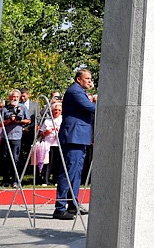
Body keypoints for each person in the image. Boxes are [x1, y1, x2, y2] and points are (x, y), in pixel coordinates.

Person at [54, 69, 97, 220]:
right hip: (74, 136)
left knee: (76, 172)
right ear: (79, 79)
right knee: (68, 171)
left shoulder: (78, 91)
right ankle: (60, 207)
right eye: (87, 78)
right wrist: (103, 103)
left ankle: (73, 204)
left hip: (79, 137)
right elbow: (91, 108)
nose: (90, 81)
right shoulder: (75, 91)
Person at [0, 89, 30, 186]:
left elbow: (28, 121)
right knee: (5, 158)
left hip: (17, 137)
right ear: (9, 97)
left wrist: (18, 121)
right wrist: (8, 121)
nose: (15, 98)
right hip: (6, 137)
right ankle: (5, 180)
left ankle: (16, 180)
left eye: (16, 96)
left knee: (16, 158)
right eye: (13, 96)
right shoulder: (4, 109)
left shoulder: (23, 108)